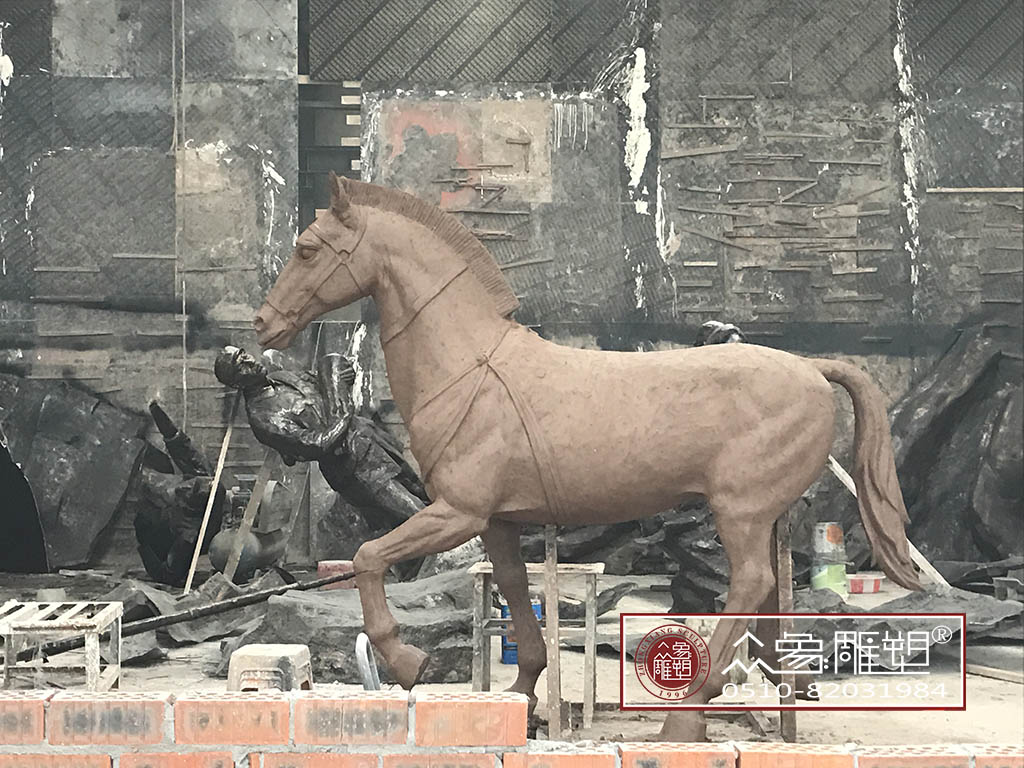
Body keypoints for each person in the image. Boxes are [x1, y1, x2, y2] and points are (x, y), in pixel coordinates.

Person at [214, 346, 427, 530]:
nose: (249, 361)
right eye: (240, 365)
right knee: (418, 517)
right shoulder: (263, 417)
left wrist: (342, 376)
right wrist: (342, 416)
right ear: (236, 383)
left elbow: (324, 384)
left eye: (244, 354)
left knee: (425, 496)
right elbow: (316, 445)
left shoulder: (281, 378)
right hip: (354, 467)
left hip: (371, 440)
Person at [134, 402, 226, 586]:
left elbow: (167, 575)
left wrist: (144, 549)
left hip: (159, 539)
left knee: (145, 521)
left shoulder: (188, 535)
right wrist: (156, 410)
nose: (182, 487)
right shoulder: (205, 479)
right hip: (165, 521)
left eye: (184, 490)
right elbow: (178, 442)